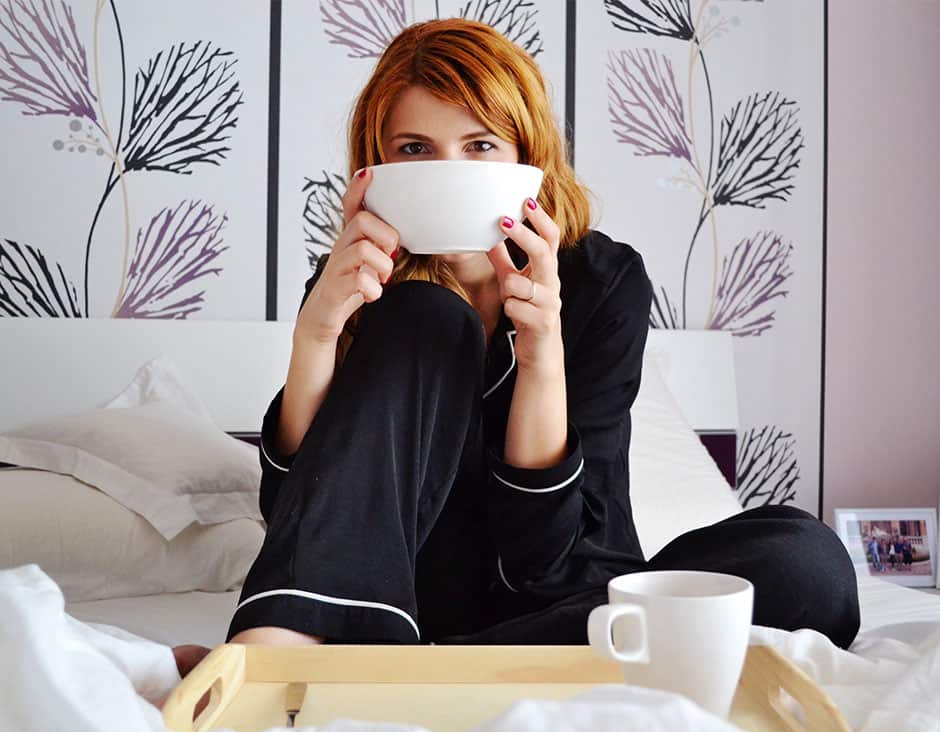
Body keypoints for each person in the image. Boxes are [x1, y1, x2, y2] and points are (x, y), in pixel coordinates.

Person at [175, 19, 859, 674]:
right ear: (376, 168)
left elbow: (549, 553)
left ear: (526, 158)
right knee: (424, 313)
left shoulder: (603, 280)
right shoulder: (362, 284)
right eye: (415, 149)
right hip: (402, 598)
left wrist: (540, 354)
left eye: (480, 146)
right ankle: (286, 647)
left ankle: (433, 667)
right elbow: (304, 516)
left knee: (806, 562)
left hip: (577, 596)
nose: (451, 170)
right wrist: (318, 331)